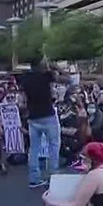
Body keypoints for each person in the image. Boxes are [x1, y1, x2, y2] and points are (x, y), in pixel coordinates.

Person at [18, 58, 63, 188]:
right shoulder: (46, 76)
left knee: (34, 148)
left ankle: (34, 178)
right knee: (54, 145)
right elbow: (68, 79)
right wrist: (55, 67)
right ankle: (52, 176)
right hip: (48, 114)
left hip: (33, 116)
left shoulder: (25, 78)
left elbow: (23, 99)